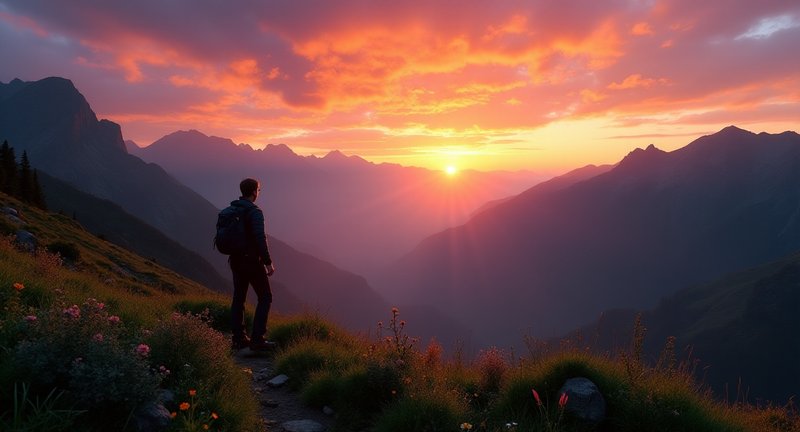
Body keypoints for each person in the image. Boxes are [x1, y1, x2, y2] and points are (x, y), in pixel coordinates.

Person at [228, 178, 276, 351]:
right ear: (254, 191)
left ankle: (238, 339)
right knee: (265, 297)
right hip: (251, 261)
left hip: (235, 260)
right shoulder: (255, 212)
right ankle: (257, 339)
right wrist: (268, 262)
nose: (259, 193)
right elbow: (259, 238)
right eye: (259, 190)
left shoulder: (233, 208)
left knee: (239, 298)